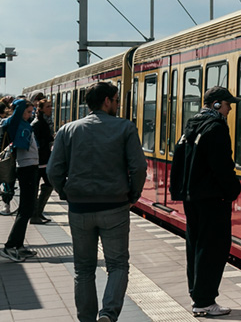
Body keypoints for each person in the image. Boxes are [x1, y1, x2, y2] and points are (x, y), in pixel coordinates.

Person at [48, 81, 147, 322]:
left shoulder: (67, 130)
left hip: (80, 208)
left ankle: (87, 319)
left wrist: (66, 193)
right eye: (116, 100)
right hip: (114, 207)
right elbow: (139, 167)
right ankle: (108, 314)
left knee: (83, 269)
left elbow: (53, 171)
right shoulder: (125, 128)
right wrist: (132, 195)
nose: (117, 104)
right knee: (118, 265)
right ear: (107, 101)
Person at [170, 86, 241, 318]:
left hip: (192, 198)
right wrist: (232, 190)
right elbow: (222, 164)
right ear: (217, 104)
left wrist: (180, 191)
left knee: (196, 246)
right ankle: (205, 301)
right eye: (228, 104)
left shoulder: (191, 125)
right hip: (212, 199)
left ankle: (198, 296)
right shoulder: (216, 128)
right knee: (213, 249)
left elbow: (178, 159)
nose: (230, 109)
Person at [1, 97, 40, 261]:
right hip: (26, 169)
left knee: (27, 209)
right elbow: (17, 112)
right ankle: (10, 246)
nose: (31, 115)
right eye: (29, 112)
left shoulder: (24, 124)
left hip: (30, 168)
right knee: (25, 209)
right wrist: (20, 102)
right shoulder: (15, 123)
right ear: (20, 111)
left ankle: (19, 245)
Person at [30, 92, 55, 224]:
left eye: (51, 106)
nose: (50, 109)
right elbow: (36, 143)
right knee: (37, 187)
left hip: (44, 160)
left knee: (48, 184)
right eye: (47, 107)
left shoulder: (46, 122)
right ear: (40, 109)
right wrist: (49, 140)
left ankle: (38, 213)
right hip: (39, 160)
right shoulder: (38, 123)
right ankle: (35, 214)